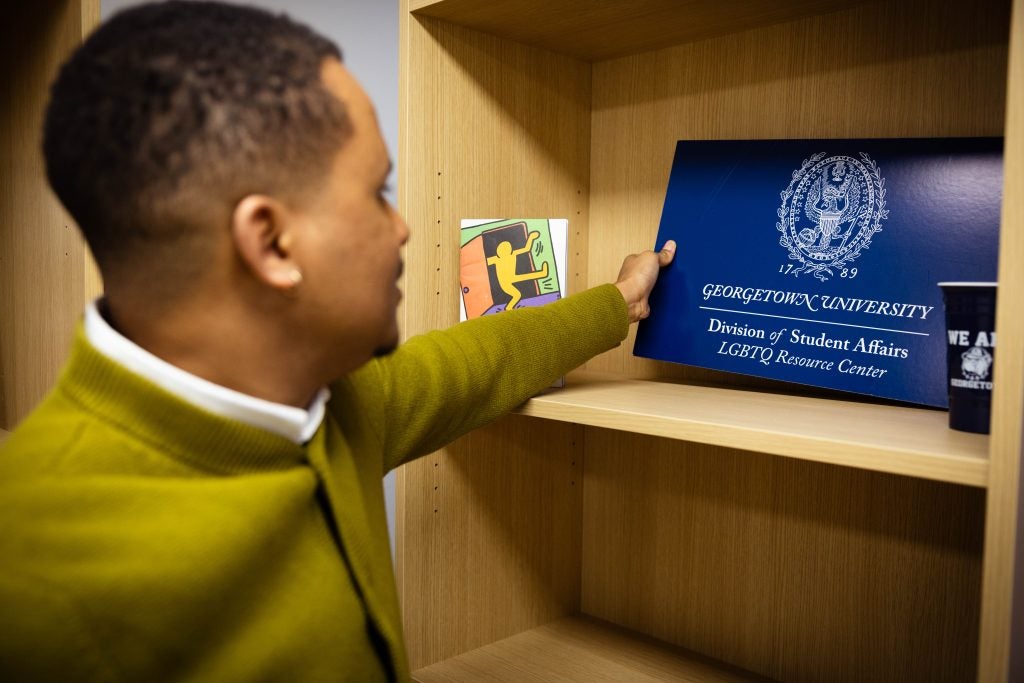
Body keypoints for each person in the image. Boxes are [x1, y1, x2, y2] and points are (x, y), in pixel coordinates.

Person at [0, 2, 676, 681]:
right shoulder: (32, 577)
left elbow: (481, 360)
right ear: (270, 241)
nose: (404, 227)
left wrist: (619, 301)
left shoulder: (338, 399)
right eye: (378, 192)